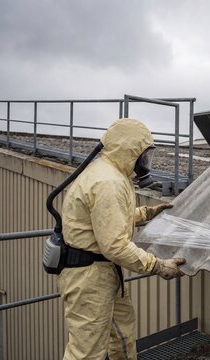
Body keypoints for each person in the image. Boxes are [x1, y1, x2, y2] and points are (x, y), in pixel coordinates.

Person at [58, 118, 186, 359]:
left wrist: (146, 213)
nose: (146, 163)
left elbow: (107, 221)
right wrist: (157, 266)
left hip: (101, 272)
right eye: (145, 156)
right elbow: (114, 245)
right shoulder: (109, 182)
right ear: (130, 150)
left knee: (122, 336)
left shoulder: (111, 172)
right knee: (86, 352)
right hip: (89, 278)